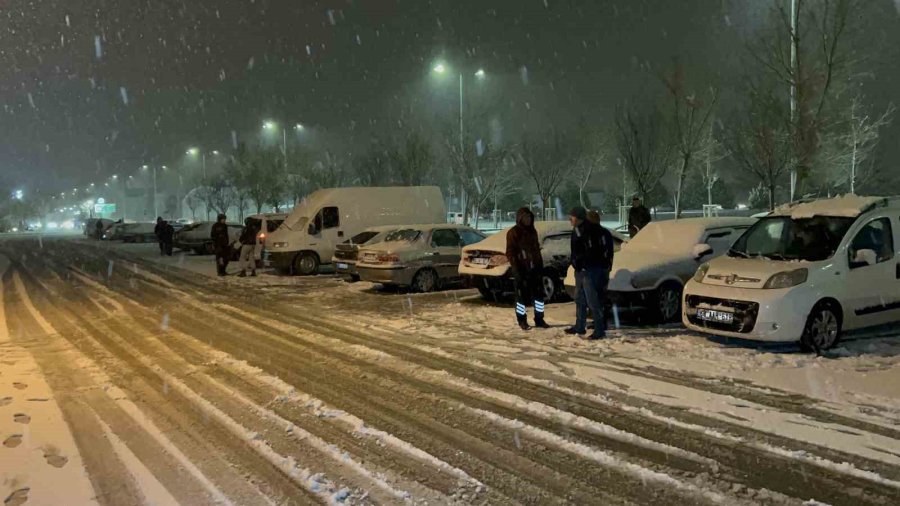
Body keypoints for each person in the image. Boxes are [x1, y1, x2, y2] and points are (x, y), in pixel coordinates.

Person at [567, 206, 615, 340]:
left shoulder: (591, 231)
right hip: (582, 270)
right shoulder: (577, 231)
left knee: (593, 300)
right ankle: (580, 325)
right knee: (580, 298)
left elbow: (594, 252)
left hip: (590, 270)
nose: (570, 219)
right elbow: (576, 250)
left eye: (572, 216)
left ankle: (599, 329)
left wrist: (584, 262)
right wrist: (576, 262)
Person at [506, 207, 549, 331]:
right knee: (521, 297)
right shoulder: (514, 232)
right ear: (520, 219)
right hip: (521, 269)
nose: (528, 220)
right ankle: (522, 320)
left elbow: (536, 250)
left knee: (538, 296)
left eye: (529, 217)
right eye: (525, 217)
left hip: (535, 269)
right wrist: (517, 267)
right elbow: (510, 252)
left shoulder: (532, 231)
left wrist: (539, 265)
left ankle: (539, 318)